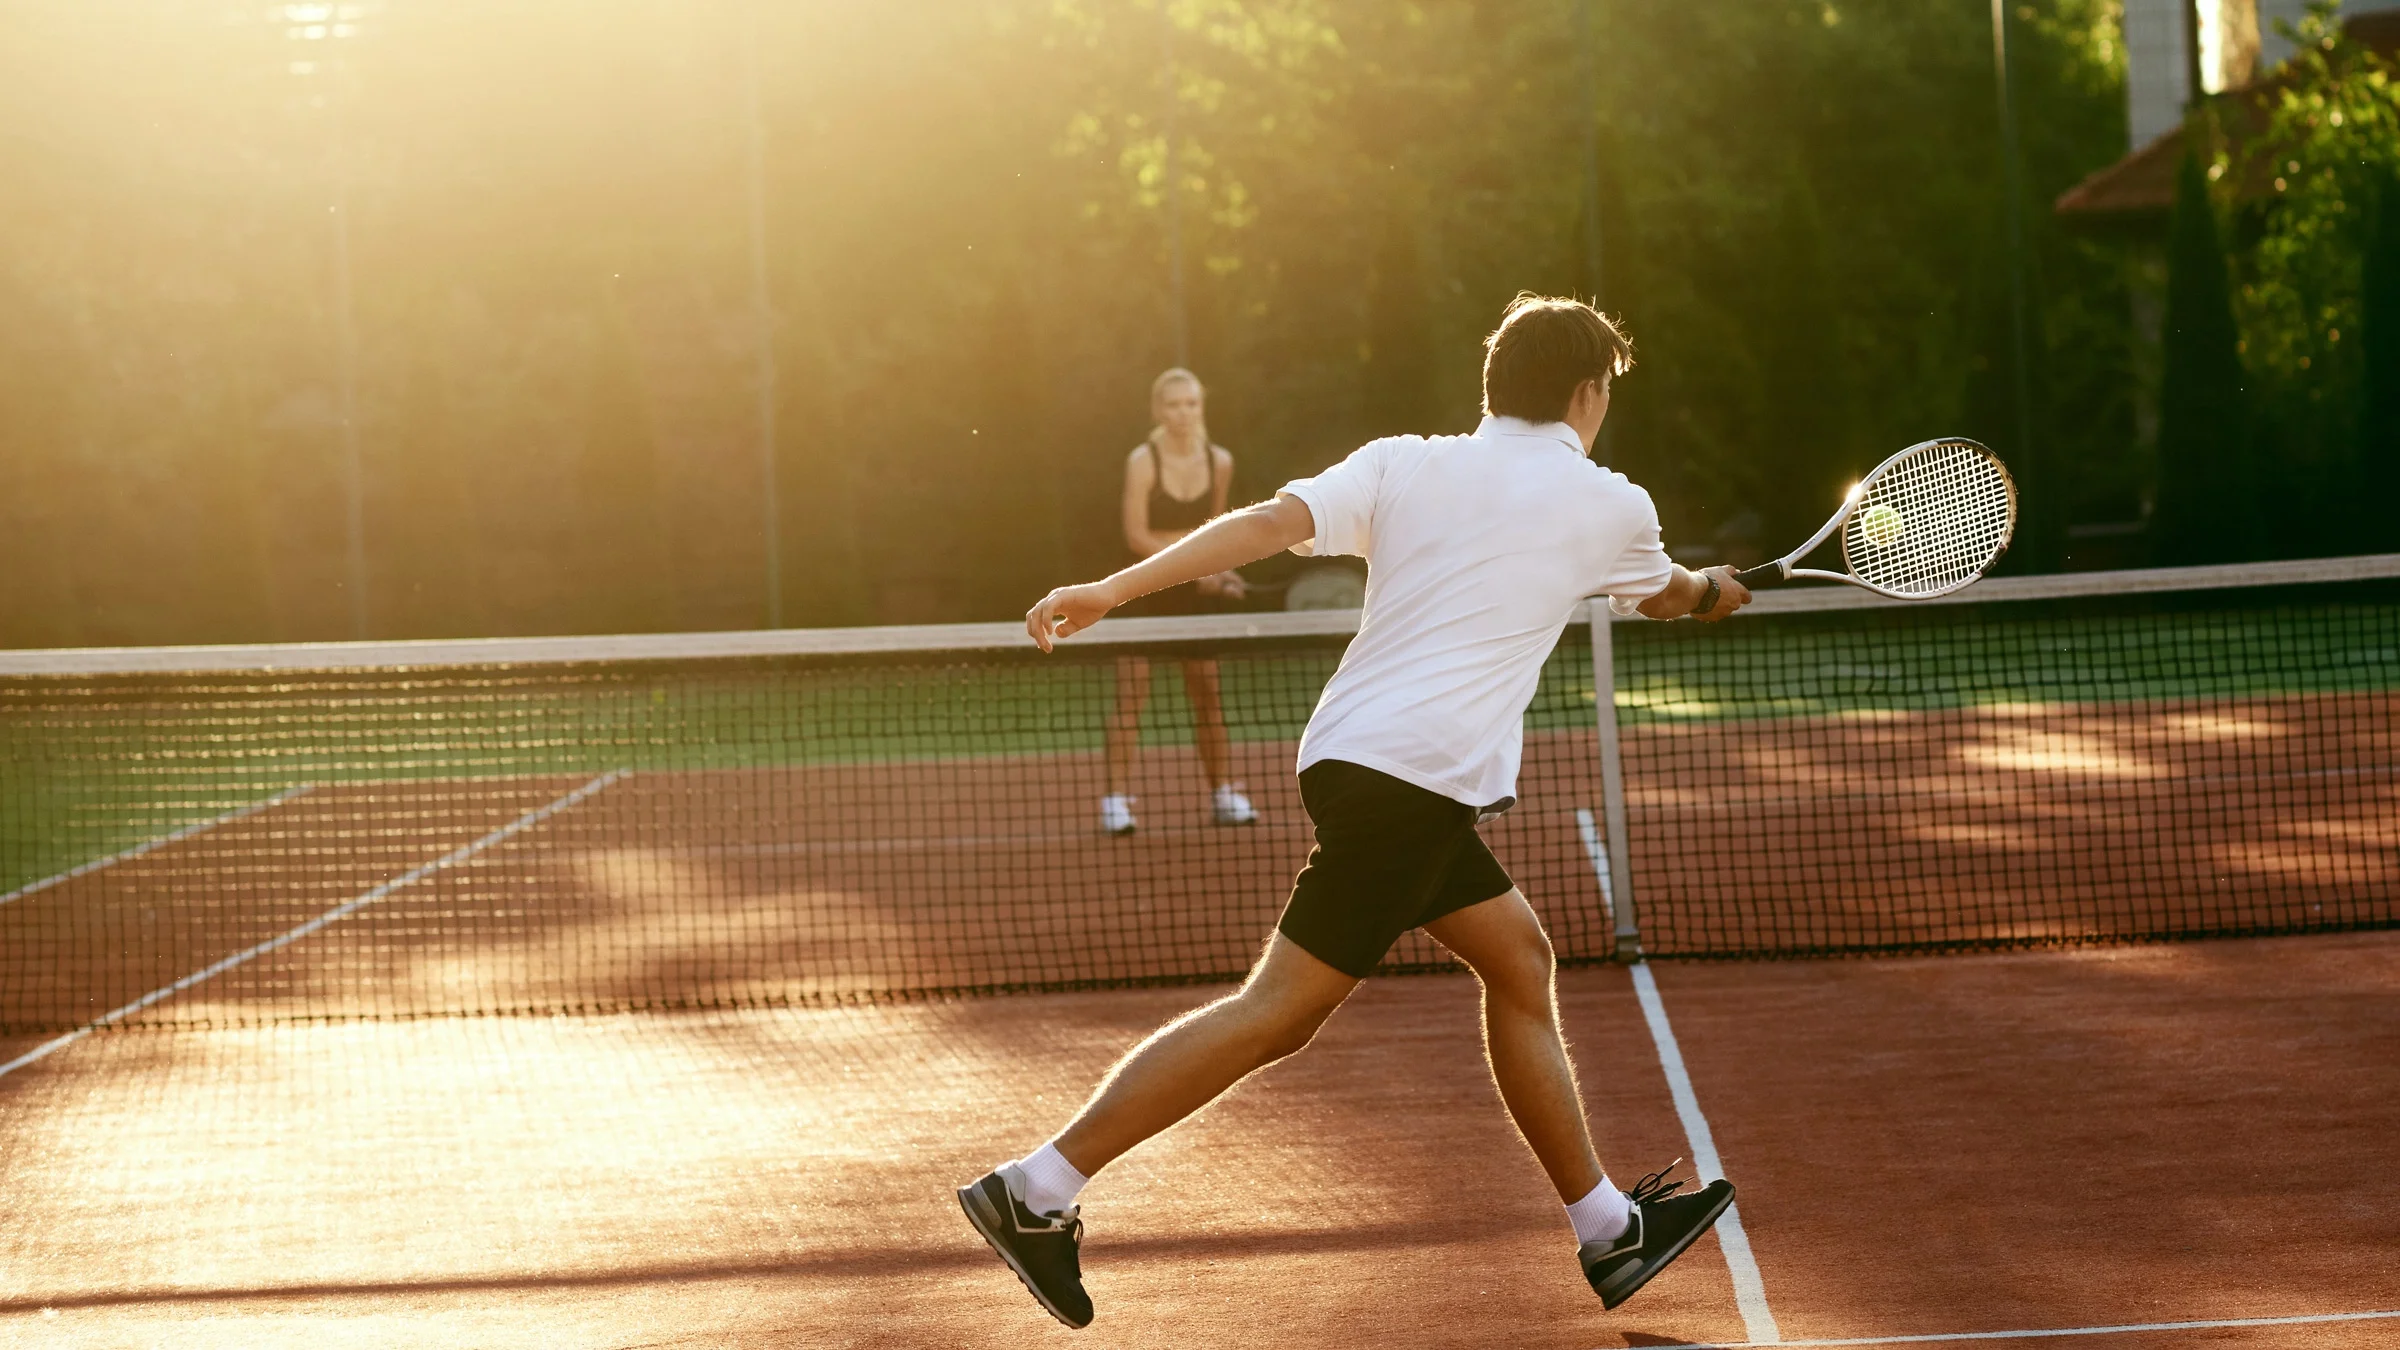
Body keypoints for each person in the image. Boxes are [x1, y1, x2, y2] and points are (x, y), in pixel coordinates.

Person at [961, 295, 1752, 1328]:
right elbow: (1668, 594)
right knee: (1276, 1013)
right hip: (1413, 782)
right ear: (1588, 393)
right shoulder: (1615, 505)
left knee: (1517, 957)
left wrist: (1114, 588)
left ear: (1492, 387)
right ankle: (1036, 1189)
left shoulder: (1402, 461)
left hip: (1351, 761)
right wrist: (1714, 592)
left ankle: (1607, 1229)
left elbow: (1263, 525)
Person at [1099, 368, 1257, 836]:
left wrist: (1223, 571)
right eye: (1173, 405)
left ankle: (1223, 793)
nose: (1183, 414)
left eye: (1191, 404)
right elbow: (1136, 535)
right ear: (1157, 411)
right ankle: (1114, 802)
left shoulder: (1220, 461)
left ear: (1201, 408)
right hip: (1142, 589)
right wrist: (1198, 566)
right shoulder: (1142, 461)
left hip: (1193, 596)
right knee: (1131, 698)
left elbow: (1218, 532)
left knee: (1208, 697)